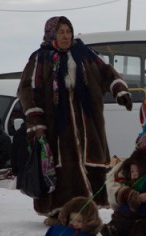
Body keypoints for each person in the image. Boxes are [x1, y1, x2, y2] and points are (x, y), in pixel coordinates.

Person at [17, 16, 133, 224]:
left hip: (87, 124)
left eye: (68, 31)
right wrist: (36, 123)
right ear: (51, 34)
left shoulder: (85, 54)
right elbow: (28, 90)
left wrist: (119, 90)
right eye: (61, 32)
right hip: (56, 128)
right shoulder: (40, 59)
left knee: (89, 163)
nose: (66, 36)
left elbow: (106, 72)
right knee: (61, 168)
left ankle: (86, 210)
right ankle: (58, 212)